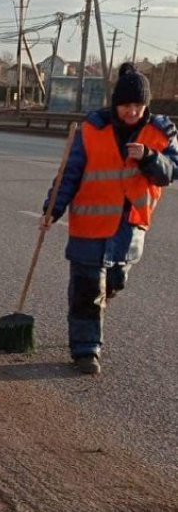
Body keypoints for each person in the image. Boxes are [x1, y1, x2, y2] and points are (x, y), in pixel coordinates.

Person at [40, 64, 177, 375]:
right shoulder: (92, 129)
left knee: (116, 280)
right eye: (126, 104)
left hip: (130, 227)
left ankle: (108, 291)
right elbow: (70, 174)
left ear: (146, 105)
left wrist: (150, 158)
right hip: (90, 225)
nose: (132, 111)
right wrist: (52, 209)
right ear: (116, 103)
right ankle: (86, 350)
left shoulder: (161, 132)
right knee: (87, 288)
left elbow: (172, 172)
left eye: (138, 105)